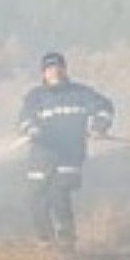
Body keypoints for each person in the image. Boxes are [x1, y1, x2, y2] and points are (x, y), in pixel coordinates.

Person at [16, 51, 114, 249]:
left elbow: (105, 107)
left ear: (65, 69)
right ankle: (46, 241)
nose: (55, 71)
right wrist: (30, 128)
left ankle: (67, 241)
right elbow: (24, 118)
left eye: (58, 67)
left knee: (58, 192)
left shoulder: (81, 93)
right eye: (50, 68)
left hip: (70, 154)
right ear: (43, 73)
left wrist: (99, 126)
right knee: (35, 197)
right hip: (42, 155)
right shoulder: (35, 96)